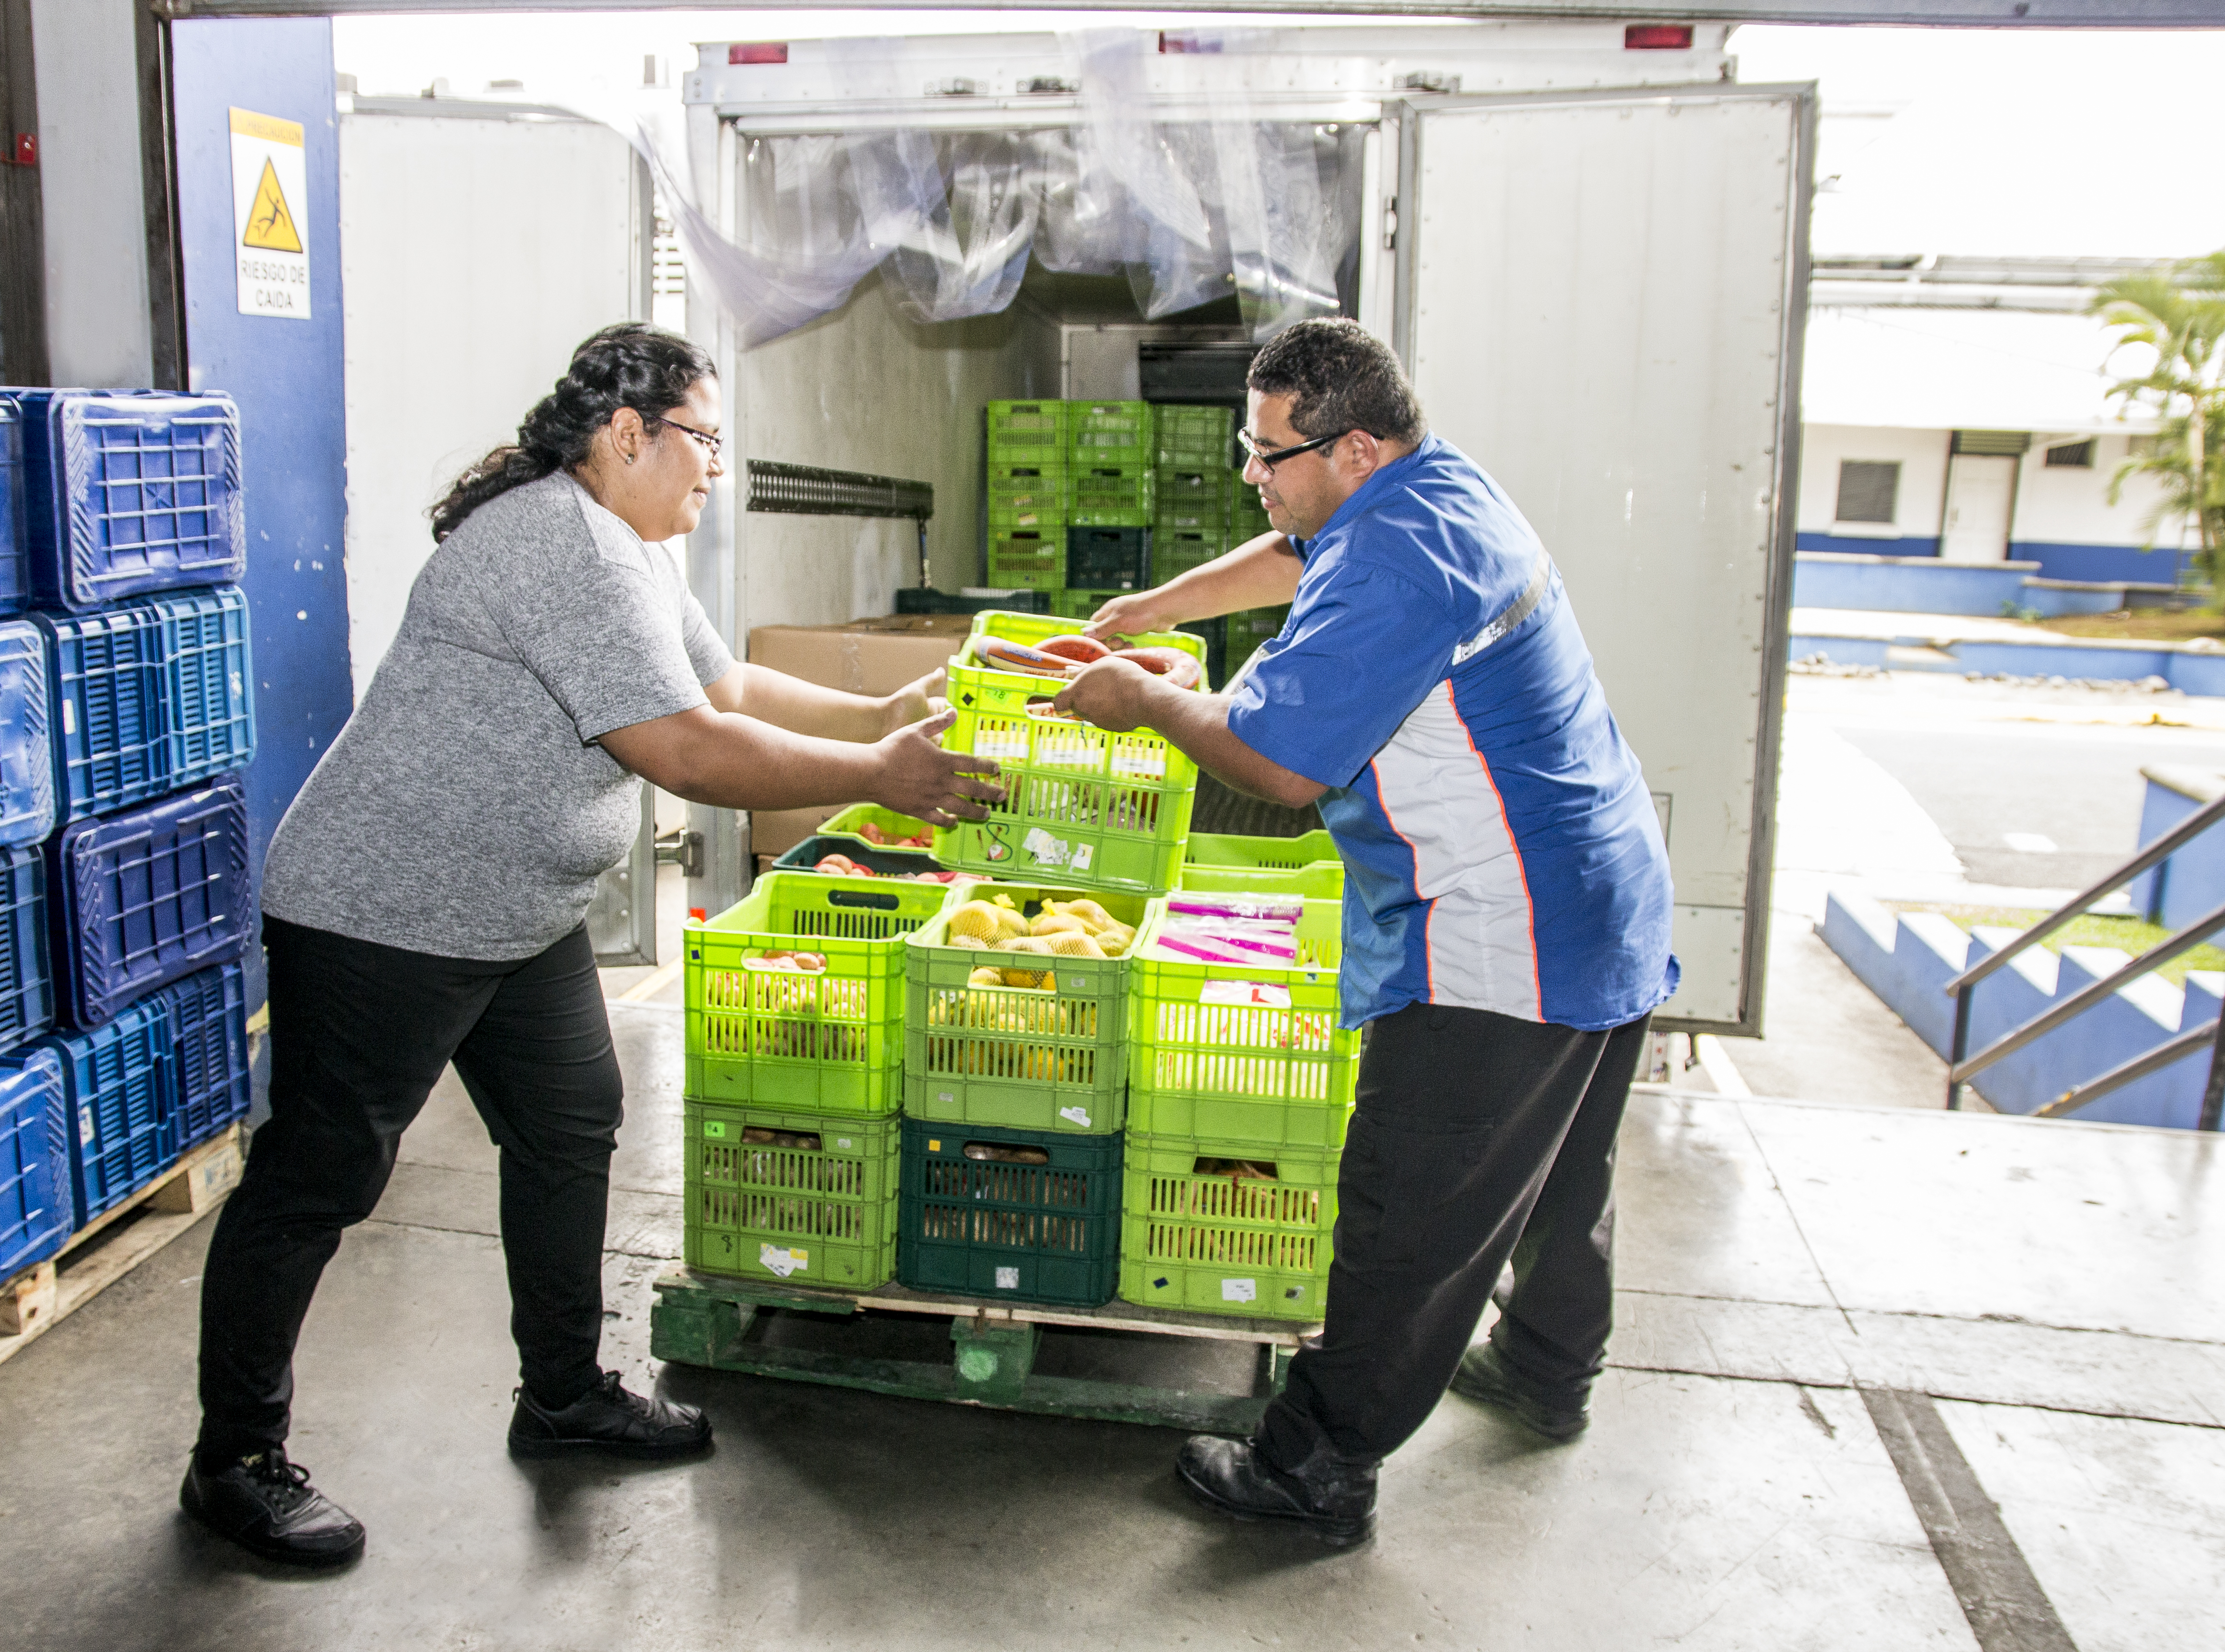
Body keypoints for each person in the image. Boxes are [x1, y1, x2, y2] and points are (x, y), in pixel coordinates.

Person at [179, 322, 1003, 1568]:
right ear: (630, 436)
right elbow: (682, 749)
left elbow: (727, 690)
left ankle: (562, 1392)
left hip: (515, 911)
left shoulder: (631, 547)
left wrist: (886, 713)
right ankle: (233, 1461)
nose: (715, 467)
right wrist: (882, 775)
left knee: (570, 1123)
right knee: (319, 1178)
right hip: (384, 909)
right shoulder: (558, 542)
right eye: (705, 442)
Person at [1056, 317, 1676, 1546]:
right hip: (1604, 886)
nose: (1252, 471)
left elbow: (1278, 766)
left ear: (1354, 446)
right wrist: (1158, 606)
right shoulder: (1431, 490)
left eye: (1267, 450)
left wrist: (1149, 698)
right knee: (1560, 1169)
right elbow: (1298, 553)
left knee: (1412, 1204)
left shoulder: (1400, 564)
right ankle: (1550, 1372)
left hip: (1509, 929)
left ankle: (1317, 1466)